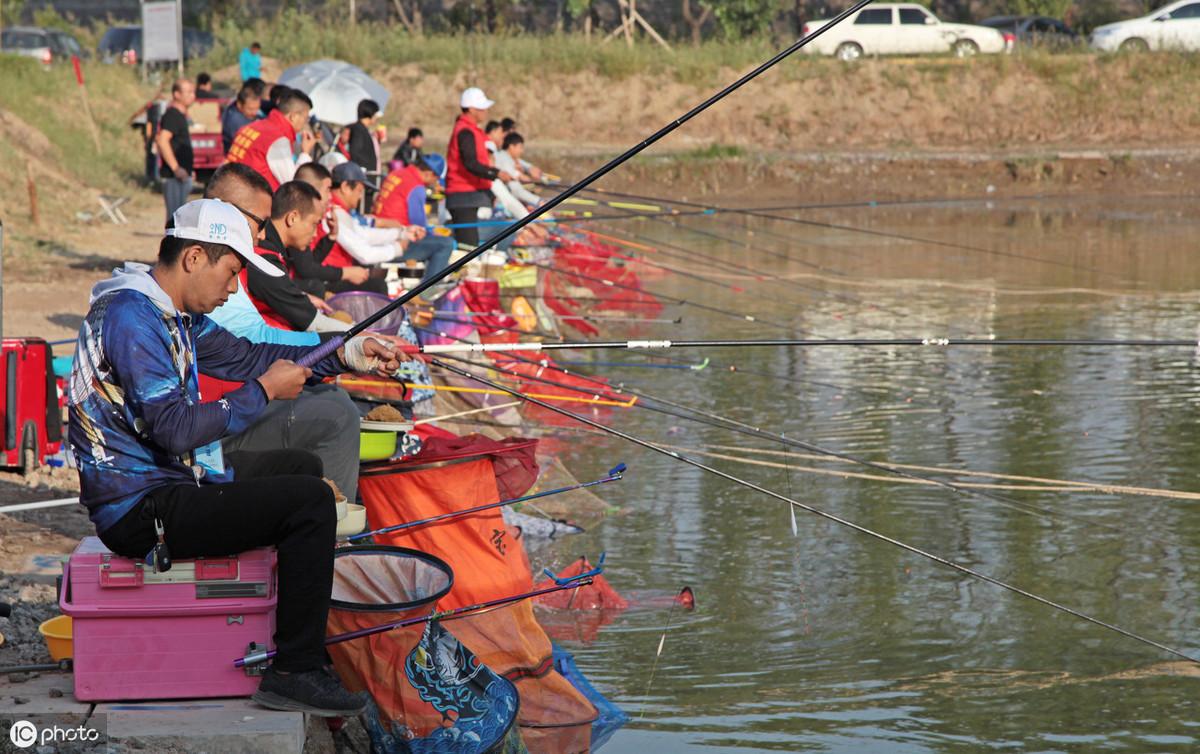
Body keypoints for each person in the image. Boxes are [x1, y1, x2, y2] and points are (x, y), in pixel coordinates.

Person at [68, 197, 402, 716]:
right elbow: (176, 430)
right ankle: (294, 670)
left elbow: (250, 356)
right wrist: (262, 393)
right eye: (231, 272)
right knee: (310, 502)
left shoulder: (172, 311)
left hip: (176, 484)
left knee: (301, 469)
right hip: (140, 511)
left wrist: (345, 353)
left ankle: (281, 629)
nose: (232, 289)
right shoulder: (132, 317)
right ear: (194, 257)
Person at [202, 164, 367, 506]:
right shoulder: (204, 287)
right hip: (207, 449)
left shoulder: (220, 278)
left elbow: (251, 350)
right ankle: (336, 537)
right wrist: (342, 349)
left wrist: (344, 352)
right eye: (259, 224)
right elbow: (255, 348)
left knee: (332, 406)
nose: (262, 236)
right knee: (338, 415)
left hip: (224, 418)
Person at [244, 181, 350, 333]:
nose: (315, 234)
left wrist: (302, 296)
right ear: (292, 218)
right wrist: (369, 336)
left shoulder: (273, 247)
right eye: (314, 224)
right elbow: (314, 322)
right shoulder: (264, 257)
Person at [291, 163, 373, 296]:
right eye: (328, 189)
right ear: (310, 189)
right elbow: (305, 269)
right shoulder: (296, 217)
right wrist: (345, 273)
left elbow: (309, 261)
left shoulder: (310, 214)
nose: (330, 196)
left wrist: (331, 237)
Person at [445, 87, 513, 246]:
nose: (486, 111)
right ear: (470, 109)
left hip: (470, 194)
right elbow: (471, 163)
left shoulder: (471, 130)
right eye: (482, 108)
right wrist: (496, 173)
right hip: (462, 196)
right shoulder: (465, 131)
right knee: (468, 247)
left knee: (473, 242)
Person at [372, 158, 455, 284]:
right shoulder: (416, 186)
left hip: (376, 235)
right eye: (436, 178)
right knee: (446, 244)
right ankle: (427, 293)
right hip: (394, 241)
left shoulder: (397, 173)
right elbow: (419, 226)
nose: (435, 182)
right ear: (429, 173)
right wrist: (432, 233)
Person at [322, 162, 408, 279]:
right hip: (334, 278)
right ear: (345, 187)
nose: (361, 196)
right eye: (359, 190)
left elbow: (362, 234)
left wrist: (401, 233)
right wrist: (397, 248)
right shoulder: (334, 213)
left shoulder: (339, 210)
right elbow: (364, 254)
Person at [227, 89, 316, 190]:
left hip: (232, 188)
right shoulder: (277, 139)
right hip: (252, 198)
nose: (305, 122)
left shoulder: (253, 126)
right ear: (293, 116)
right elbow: (292, 185)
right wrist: (305, 153)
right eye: (305, 118)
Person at [155, 78, 196, 222]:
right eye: (188, 92)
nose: (192, 95)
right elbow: (162, 140)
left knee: (181, 217)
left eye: (193, 91)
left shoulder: (180, 116)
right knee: (175, 219)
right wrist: (176, 168)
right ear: (177, 94)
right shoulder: (172, 115)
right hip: (174, 176)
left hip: (181, 175)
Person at [494, 132, 542, 207]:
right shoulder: (504, 159)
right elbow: (517, 190)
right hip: (500, 204)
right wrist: (539, 201)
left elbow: (525, 166)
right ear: (511, 147)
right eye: (520, 147)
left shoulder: (507, 157)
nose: (521, 151)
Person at [343, 99, 381, 176]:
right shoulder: (358, 130)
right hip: (364, 173)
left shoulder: (362, 129)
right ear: (370, 113)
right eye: (375, 114)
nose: (376, 117)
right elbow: (355, 152)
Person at [222, 83, 263, 154]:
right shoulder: (236, 120)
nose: (254, 113)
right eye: (250, 109)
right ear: (239, 105)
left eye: (257, 109)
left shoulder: (250, 116)